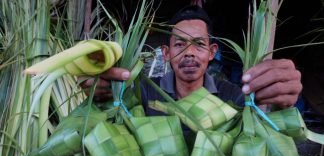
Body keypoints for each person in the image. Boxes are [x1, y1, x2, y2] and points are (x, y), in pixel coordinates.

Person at [81, 5, 302, 110]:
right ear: (166, 54)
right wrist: (102, 94)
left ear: (212, 52)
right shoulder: (143, 92)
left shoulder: (233, 96)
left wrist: (284, 105)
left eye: (198, 44)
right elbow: (110, 109)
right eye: (179, 44)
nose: (189, 52)